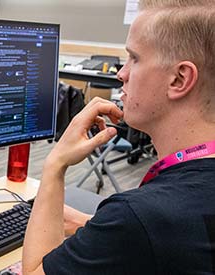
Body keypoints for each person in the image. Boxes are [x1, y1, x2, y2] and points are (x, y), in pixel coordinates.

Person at [22, 0, 215, 274]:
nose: (121, 73)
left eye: (134, 58)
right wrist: (96, 228)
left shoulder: (139, 217)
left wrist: (56, 164)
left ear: (179, 79)